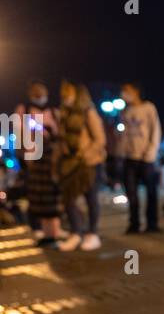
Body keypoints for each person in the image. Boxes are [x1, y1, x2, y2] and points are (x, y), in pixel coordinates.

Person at [56, 83, 106, 251]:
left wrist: (85, 155)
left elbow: (100, 139)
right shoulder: (64, 113)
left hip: (89, 162)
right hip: (69, 163)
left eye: (68, 93)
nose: (65, 97)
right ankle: (76, 232)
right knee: (68, 198)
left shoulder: (88, 111)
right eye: (63, 94)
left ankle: (93, 234)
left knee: (91, 198)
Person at [14, 82, 62, 243]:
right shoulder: (24, 110)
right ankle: (38, 229)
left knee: (52, 195)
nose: (40, 98)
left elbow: (59, 134)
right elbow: (18, 134)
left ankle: (54, 230)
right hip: (33, 158)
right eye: (36, 94)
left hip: (50, 159)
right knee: (35, 195)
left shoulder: (54, 111)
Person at [117, 81, 162, 233]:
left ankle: (152, 223)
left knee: (151, 192)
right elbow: (123, 134)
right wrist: (121, 152)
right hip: (129, 158)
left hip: (145, 158)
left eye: (127, 90)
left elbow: (155, 130)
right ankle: (134, 224)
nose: (124, 94)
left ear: (136, 91)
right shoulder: (125, 111)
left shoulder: (148, 108)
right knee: (131, 192)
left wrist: (151, 151)